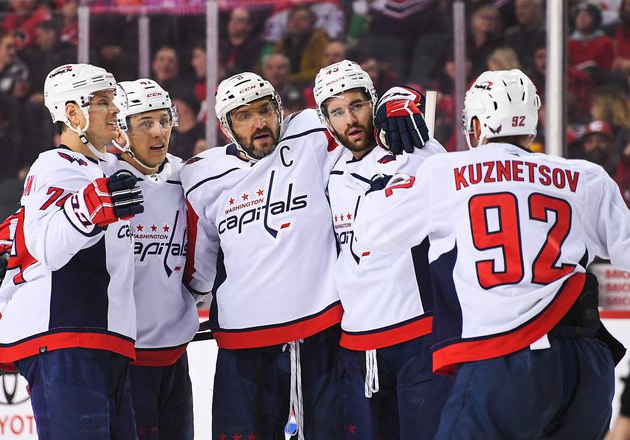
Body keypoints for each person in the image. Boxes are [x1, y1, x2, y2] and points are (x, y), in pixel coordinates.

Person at [353, 69, 630, 439]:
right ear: (531, 127)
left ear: (478, 125)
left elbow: (371, 233)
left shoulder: (445, 171)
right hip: (588, 367)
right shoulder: (587, 176)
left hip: (505, 359)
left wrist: (401, 162)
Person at [0, 63, 144, 439]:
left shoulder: (107, 166)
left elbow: (30, 229)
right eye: (103, 102)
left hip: (106, 339)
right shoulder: (54, 164)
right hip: (66, 338)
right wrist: (92, 206)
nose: (115, 110)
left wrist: (9, 243)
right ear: (72, 113)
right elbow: (50, 248)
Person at [180, 72, 343, 439]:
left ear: (280, 109)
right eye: (244, 116)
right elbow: (197, 272)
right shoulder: (201, 176)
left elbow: (356, 110)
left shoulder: (311, 134)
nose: (260, 123)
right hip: (243, 343)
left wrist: (398, 103)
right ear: (225, 126)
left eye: (266, 110)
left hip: (319, 332)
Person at [313, 59, 452, 439]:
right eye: (337, 111)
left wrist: (407, 96)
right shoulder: (328, 168)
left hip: (420, 336)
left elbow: (448, 189)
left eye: (357, 105)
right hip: (357, 342)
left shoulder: (411, 146)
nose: (350, 119)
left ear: (373, 104)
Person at [108, 78, 198, 440]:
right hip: (124, 357)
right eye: (145, 123)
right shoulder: (101, 178)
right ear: (121, 131)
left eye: (164, 120)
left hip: (175, 353)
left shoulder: (189, 176)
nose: (159, 131)